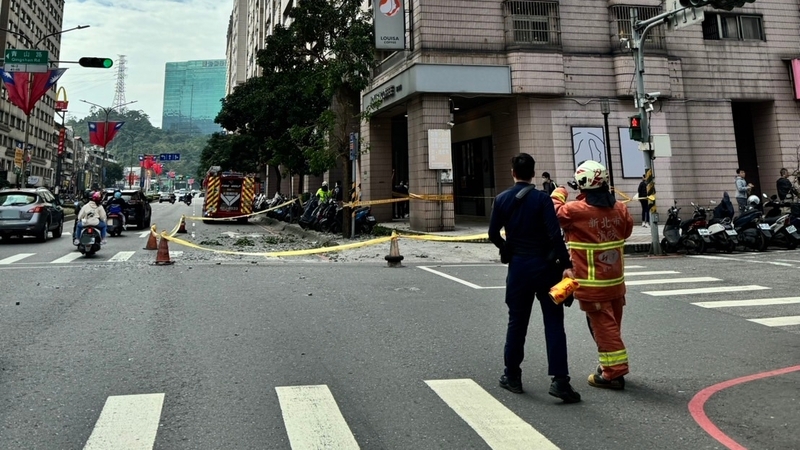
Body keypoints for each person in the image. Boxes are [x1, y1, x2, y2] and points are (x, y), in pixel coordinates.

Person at [488, 153, 581, 403]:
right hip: (546, 267)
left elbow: (493, 233)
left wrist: (506, 249)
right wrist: (567, 265)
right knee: (554, 322)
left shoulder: (502, 199)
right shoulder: (542, 200)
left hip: (519, 268)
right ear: (533, 172)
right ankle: (560, 381)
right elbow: (555, 235)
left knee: (517, 322)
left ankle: (512, 376)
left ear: (512, 172)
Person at [551, 160, 634, 390]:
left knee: (603, 327)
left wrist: (558, 192)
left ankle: (613, 373)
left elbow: (555, 213)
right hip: (615, 282)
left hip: (591, 283)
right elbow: (626, 230)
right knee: (612, 324)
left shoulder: (576, 210)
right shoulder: (620, 208)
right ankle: (606, 365)